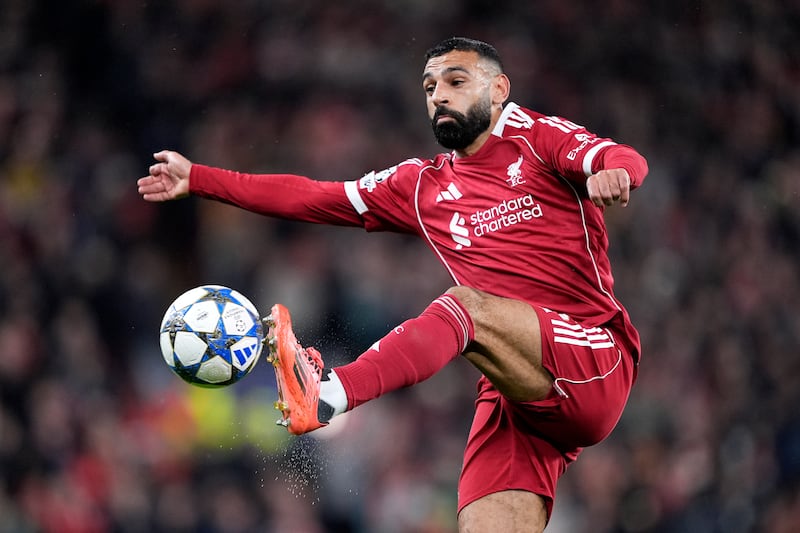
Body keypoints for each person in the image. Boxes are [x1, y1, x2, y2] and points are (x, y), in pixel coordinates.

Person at [138, 37, 648, 532]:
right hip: (517, 396)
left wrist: (615, 173)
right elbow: (314, 197)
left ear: (498, 90)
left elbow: (621, 157)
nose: (439, 96)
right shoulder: (422, 184)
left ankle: (329, 394)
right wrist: (199, 179)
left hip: (594, 356)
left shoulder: (535, 137)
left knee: (464, 309)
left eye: (455, 80)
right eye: (429, 88)